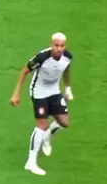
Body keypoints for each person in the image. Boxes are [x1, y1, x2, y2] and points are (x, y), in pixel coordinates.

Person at [10, 32, 73, 175]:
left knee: (64, 123)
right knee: (41, 125)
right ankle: (31, 162)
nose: (59, 48)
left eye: (62, 46)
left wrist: (68, 88)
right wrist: (16, 93)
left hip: (54, 91)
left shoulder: (67, 57)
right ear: (52, 45)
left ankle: (48, 135)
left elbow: (66, 69)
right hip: (39, 93)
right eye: (56, 45)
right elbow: (24, 72)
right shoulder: (41, 58)